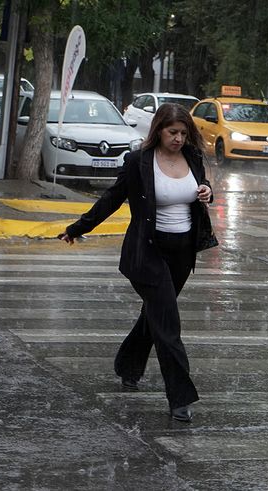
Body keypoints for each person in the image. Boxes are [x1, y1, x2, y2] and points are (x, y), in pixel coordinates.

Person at [58, 103, 214, 423]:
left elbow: (202, 189)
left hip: (182, 252)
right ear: (159, 130)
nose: (179, 139)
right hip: (148, 252)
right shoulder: (139, 161)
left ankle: (128, 365)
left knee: (155, 315)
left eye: (184, 133)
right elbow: (112, 199)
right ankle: (180, 397)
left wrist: (206, 191)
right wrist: (78, 228)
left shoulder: (193, 157)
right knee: (168, 323)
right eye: (173, 132)